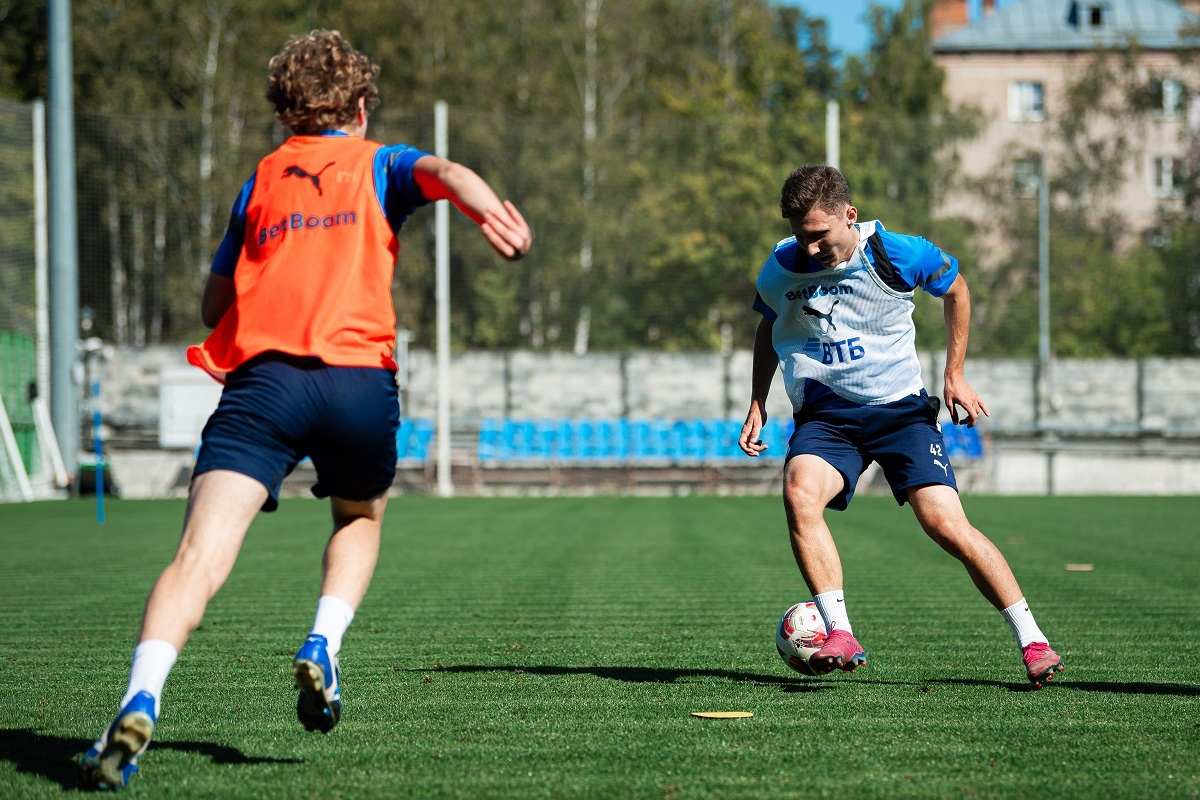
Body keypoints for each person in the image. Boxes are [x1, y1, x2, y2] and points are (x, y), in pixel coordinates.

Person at [81, 29, 532, 790]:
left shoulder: (260, 180)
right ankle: (323, 643)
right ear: (359, 106)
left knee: (196, 559)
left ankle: (139, 699)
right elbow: (445, 170)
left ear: (286, 110)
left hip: (265, 385)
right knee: (358, 516)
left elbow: (212, 301)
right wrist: (491, 215)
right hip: (357, 382)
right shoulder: (380, 162)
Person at [738, 165, 1063, 688]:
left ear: (850, 216)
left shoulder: (896, 252)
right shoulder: (780, 269)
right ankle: (840, 632)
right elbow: (768, 326)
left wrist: (954, 373)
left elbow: (957, 290)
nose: (811, 248)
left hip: (901, 415)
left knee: (946, 527)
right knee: (800, 494)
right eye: (801, 236)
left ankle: (1033, 641)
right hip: (828, 420)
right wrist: (757, 401)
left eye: (820, 235)